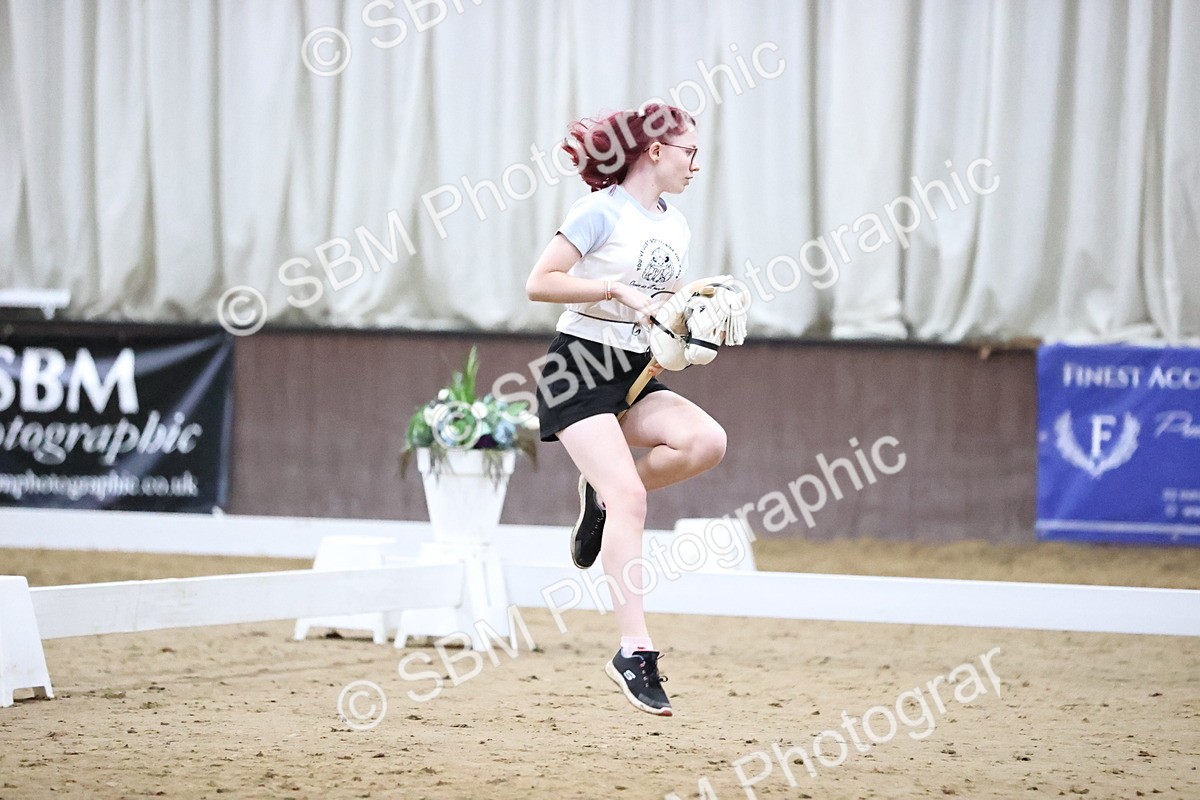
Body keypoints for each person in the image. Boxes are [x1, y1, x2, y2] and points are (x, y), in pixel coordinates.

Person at [524, 104, 727, 717]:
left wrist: (684, 338)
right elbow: (540, 282)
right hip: (578, 369)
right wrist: (613, 288)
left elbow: (658, 313)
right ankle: (633, 651)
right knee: (633, 502)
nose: (697, 160)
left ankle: (602, 495)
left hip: (634, 372)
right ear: (655, 150)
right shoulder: (599, 210)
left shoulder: (677, 225)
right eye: (688, 148)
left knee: (705, 442)